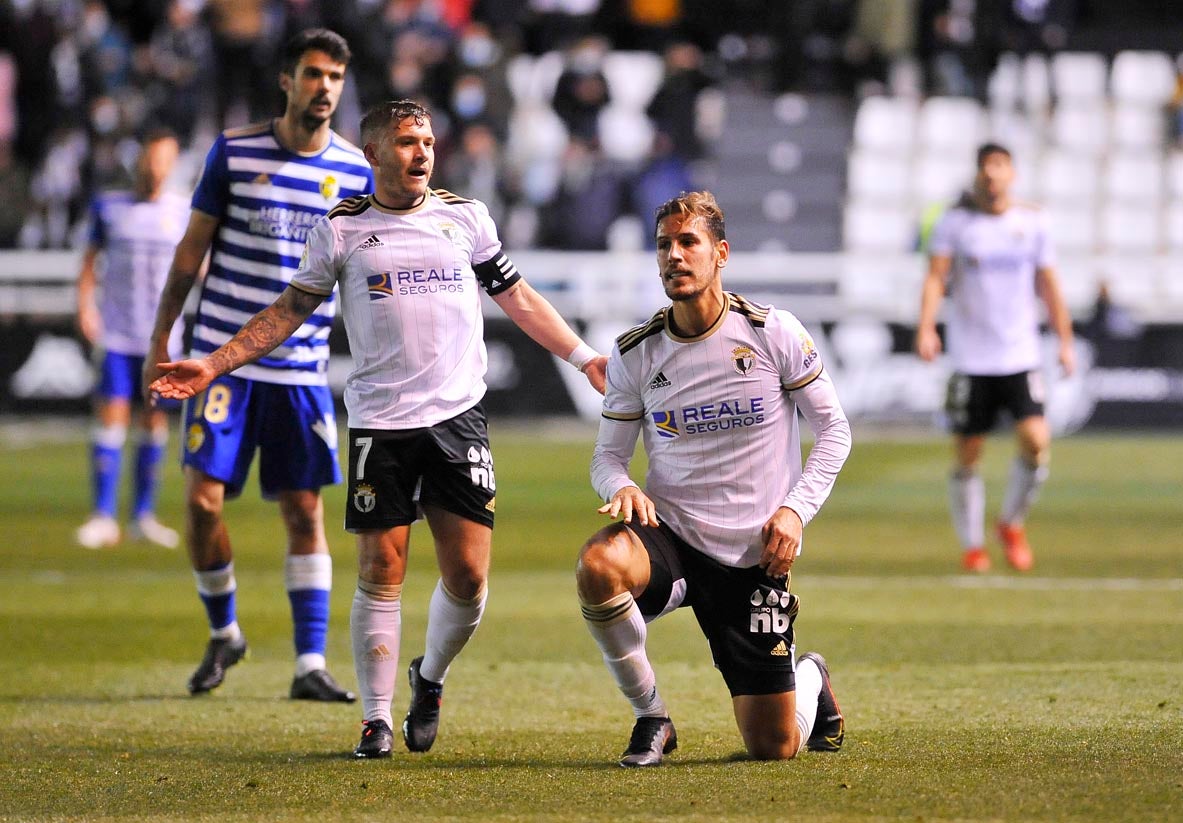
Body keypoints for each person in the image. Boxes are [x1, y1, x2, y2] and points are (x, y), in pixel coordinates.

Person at [149, 99, 609, 759]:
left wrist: (581, 354)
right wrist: (214, 363)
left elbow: (519, 297)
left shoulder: (465, 218)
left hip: (457, 419)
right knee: (379, 567)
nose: (420, 151)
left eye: (425, 139)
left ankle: (430, 676)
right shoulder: (340, 230)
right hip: (379, 424)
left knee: (470, 579)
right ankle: (374, 719)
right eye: (404, 141)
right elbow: (286, 312)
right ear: (371, 155)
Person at [576, 190, 852, 766]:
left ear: (720, 253)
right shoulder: (637, 354)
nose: (673, 256)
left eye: (687, 242)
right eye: (663, 246)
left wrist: (795, 510)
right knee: (598, 565)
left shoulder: (771, 332)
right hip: (672, 538)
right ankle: (651, 717)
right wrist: (621, 488)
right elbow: (606, 459)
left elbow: (834, 431)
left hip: (753, 554)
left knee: (773, 748)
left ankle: (809, 677)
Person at [142, 28, 373, 702]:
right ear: (287, 79)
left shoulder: (356, 171)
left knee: (304, 511)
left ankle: (308, 663)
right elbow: (190, 252)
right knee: (202, 502)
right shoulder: (235, 151)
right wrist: (165, 337)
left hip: (300, 371)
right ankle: (226, 630)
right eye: (312, 74)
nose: (323, 87)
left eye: (334, 76)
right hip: (221, 364)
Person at [915, 142, 1075, 573]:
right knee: (968, 452)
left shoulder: (1032, 222)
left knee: (1037, 442)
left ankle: (1010, 523)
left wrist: (1065, 339)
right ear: (978, 173)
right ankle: (973, 546)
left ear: (1012, 173)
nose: (992, 173)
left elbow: (1049, 284)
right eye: (986, 165)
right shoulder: (956, 223)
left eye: (1000, 165)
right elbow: (936, 277)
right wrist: (927, 326)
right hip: (971, 358)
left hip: (1020, 354)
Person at [75, 128, 189, 550]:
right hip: (119, 334)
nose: (157, 168)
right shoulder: (109, 206)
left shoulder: (183, 210)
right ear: (139, 159)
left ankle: (143, 516)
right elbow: (88, 263)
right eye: (152, 159)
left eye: (165, 160)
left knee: (154, 422)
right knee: (110, 420)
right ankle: (103, 516)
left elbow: (200, 265)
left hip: (162, 340)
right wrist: (86, 307)